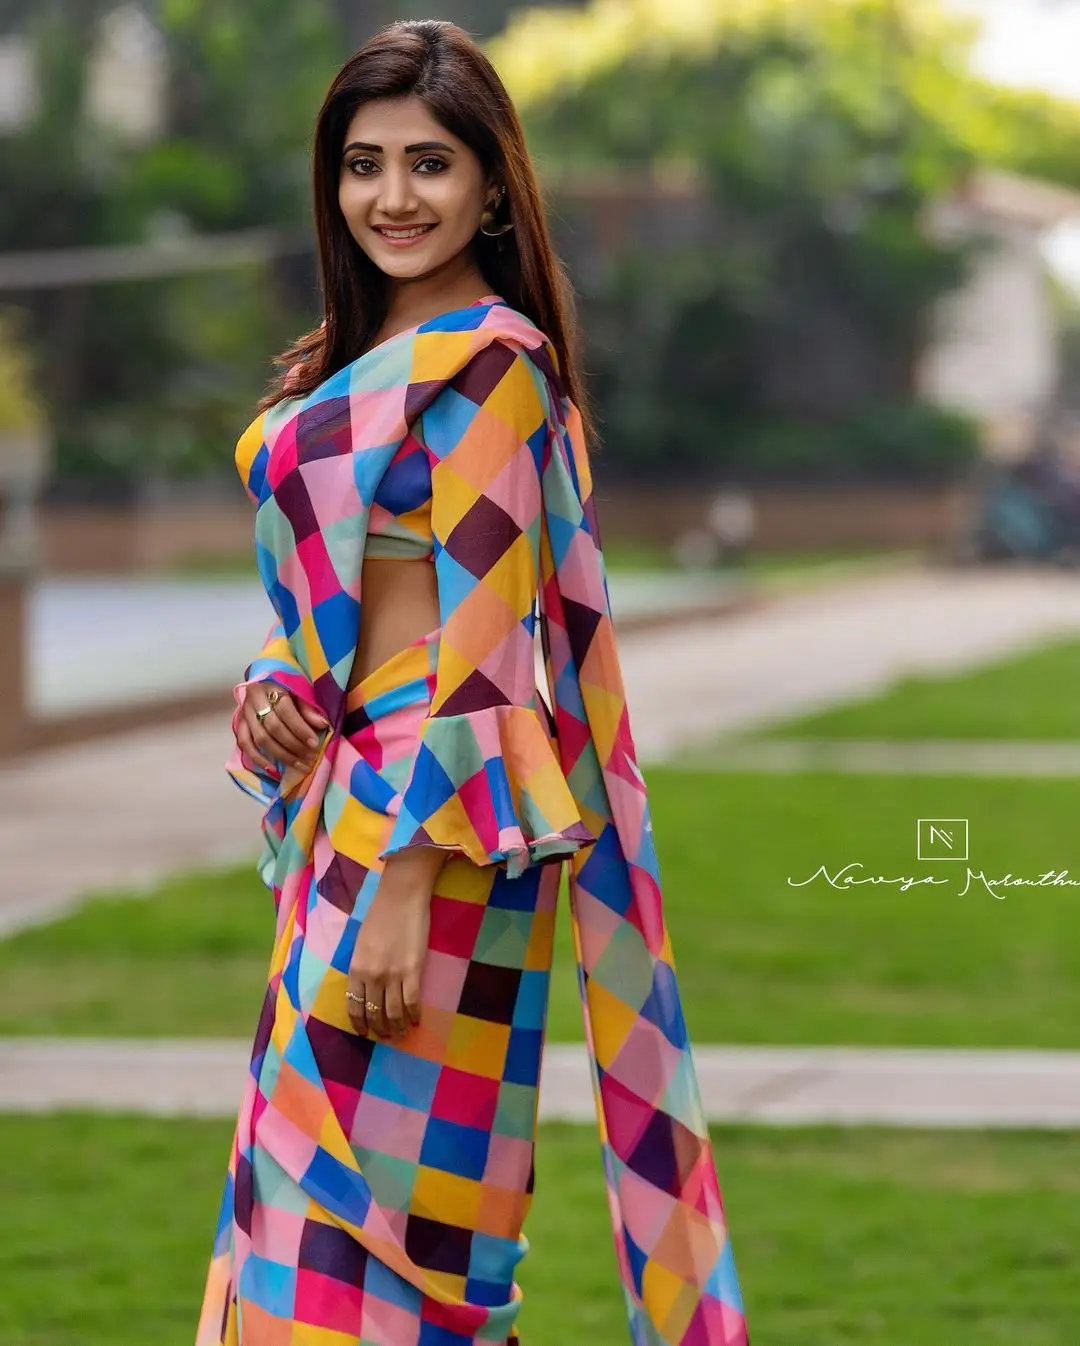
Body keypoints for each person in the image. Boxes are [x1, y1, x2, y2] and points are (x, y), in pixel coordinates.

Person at [196, 19, 749, 1346]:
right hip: (351, 812)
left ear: (493, 185)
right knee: (307, 1229)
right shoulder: (345, 356)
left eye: (431, 164)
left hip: (433, 842)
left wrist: (401, 884)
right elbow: (336, 606)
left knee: (393, 1235)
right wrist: (275, 678)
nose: (393, 197)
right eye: (364, 163)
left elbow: (490, 650)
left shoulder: (490, 363)